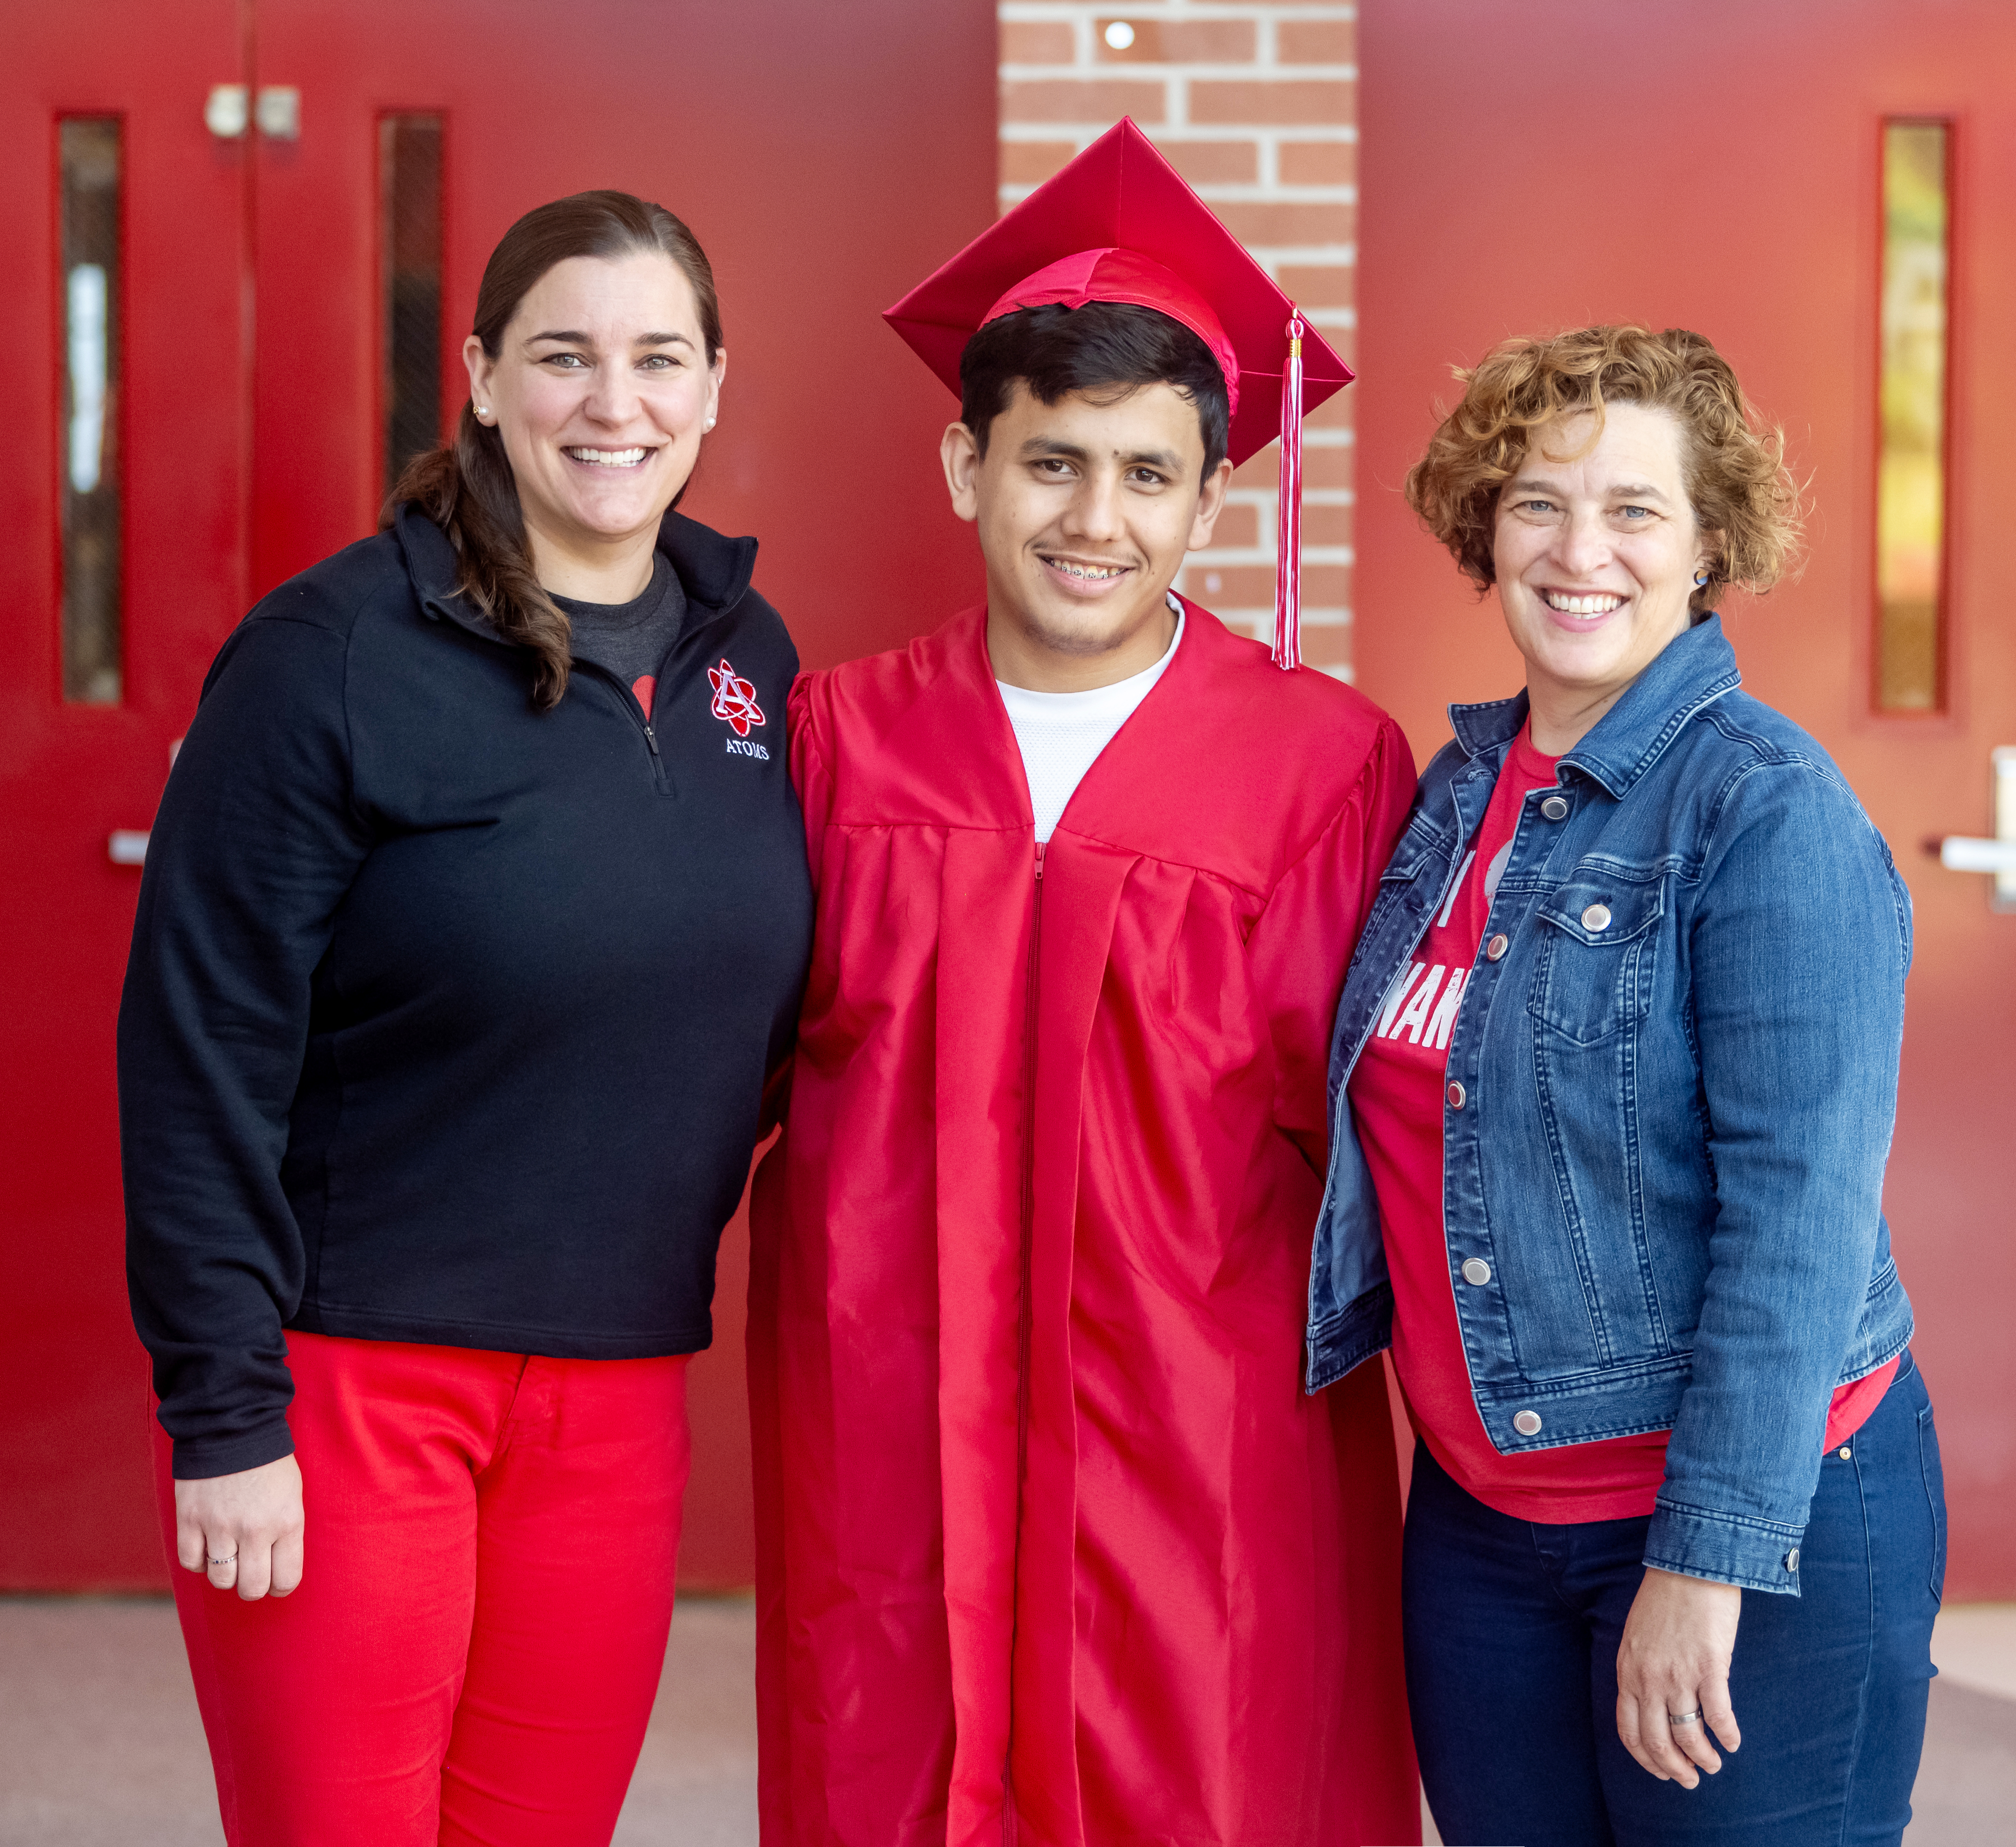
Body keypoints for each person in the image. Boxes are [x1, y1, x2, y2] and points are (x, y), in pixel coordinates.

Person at [747, 121, 1423, 1847]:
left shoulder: (1327, 764)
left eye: (1146, 473)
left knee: (1205, 1776)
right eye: (1054, 464)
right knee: (889, 1760)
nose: (1096, 519)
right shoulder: (836, 739)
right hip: (893, 1399)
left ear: (1214, 493)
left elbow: (1399, 1132)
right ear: (968, 466)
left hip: (1203, 1430)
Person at [117, 190, 809, 1845]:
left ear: (716, 386)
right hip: (354, 1384)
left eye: (657, 359)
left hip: (624, 1384)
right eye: (564, 355)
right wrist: (224, 1410)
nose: (613, 403)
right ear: (487, 378)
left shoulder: (755, 661)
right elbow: (198, 1047)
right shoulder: (328, 654)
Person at [1305, 325, 1943, 1845]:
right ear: (1487, 529)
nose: (1579, 550)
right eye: (1537, 502)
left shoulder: (1766, 811)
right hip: (1481, 1524)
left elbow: (1800, 1221)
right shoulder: (1454, 800)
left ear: (1710, 543)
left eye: (1635, 511)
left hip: (1747, 1521)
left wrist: (1705, 1557)